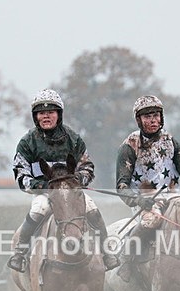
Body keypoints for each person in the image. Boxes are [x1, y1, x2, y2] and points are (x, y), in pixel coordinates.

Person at [8, 88, 120, 273]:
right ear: (35, 117)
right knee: (38, 210)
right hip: (45, 193)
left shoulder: (73, 139)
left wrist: (77, 181)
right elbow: (21, 173)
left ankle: (107, 254)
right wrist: (42, 186)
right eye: (41, 113)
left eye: (50, 112)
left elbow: (87, 166)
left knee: (93, 209)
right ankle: (20, 255)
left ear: (58, 115)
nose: (46, 116)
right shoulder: (27, 142)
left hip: (71, 192)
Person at [115, 95, 180, 281]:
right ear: (139, 120)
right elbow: (122, 186)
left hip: (174, 198)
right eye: (147, 117)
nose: (153, 120)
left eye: (156, 115)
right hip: (146, 203)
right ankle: (126, 258)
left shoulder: (170, 141)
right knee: (152, 221)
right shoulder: (129, 145)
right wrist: (139, 200)